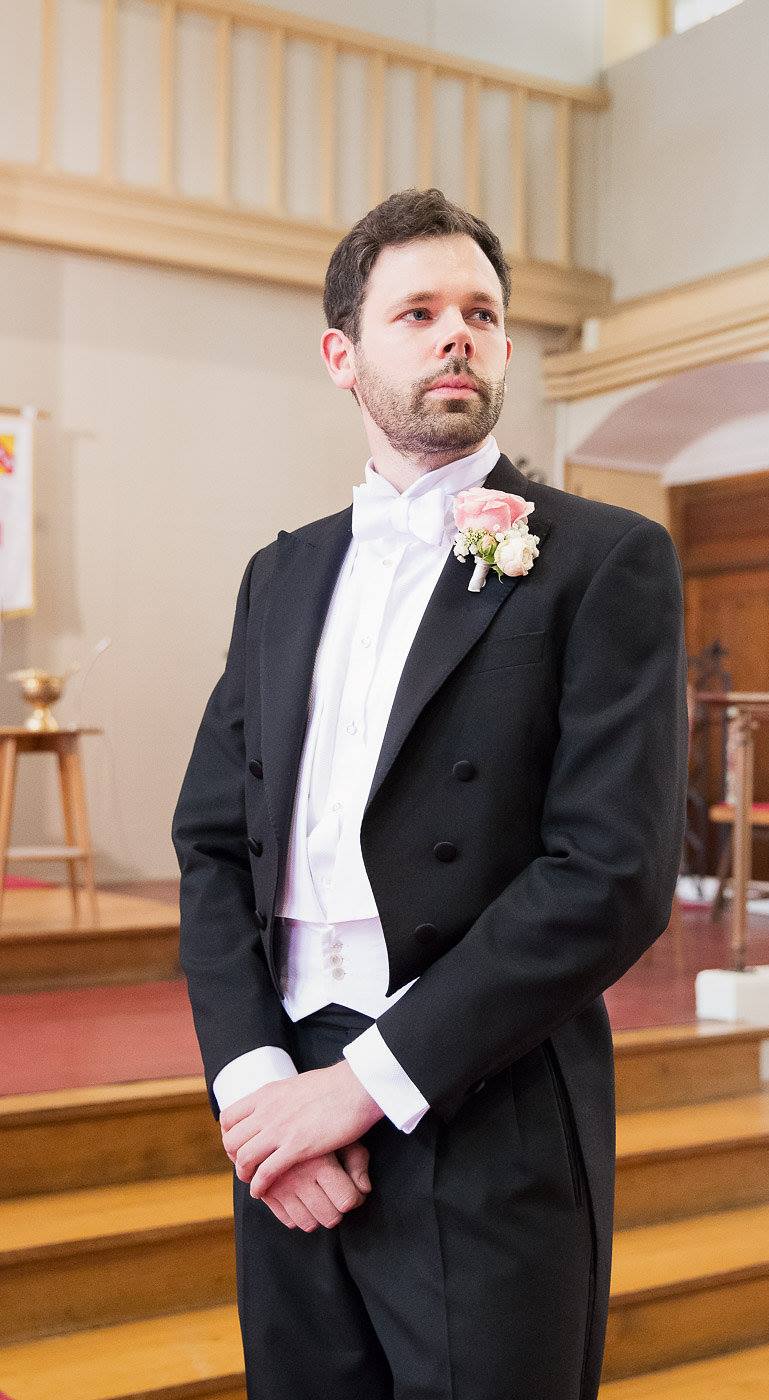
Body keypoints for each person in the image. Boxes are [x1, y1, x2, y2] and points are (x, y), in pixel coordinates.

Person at [172, 186, 688, 1400]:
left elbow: (609, 874)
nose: (458, 332)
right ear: (344, 354)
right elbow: (210, 842)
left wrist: (364, 1086)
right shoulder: (281, 573)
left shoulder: (604, 560)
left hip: (483, 1091)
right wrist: (258, 1095)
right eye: (418, 311)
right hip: (285, 1101)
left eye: (482, 313)